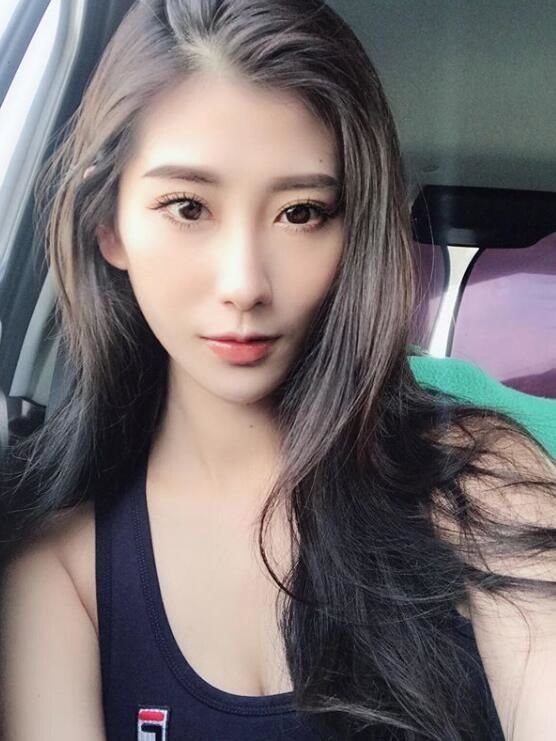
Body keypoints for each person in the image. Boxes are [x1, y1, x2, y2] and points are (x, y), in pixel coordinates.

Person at [0, 0, 555, 739]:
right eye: (187, 206)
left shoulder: (485, 487)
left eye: (301, 213)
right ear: (110, 225)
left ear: (352, 232)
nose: (245, 283)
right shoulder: (57, 561)